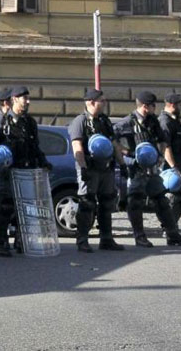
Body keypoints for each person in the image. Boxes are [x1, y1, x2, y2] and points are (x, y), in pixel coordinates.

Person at [0, 85, 51, 257]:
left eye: (28, 98)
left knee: (24, 208)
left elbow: (34, 146)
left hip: (25, 171)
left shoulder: (30, 123)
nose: (28, 102)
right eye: (24, 98)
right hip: (4, 172)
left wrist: (43, 162)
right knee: (5, 206)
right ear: (14, 100)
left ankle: (21, 240)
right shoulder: (2, 121)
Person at [116, 91, 181, 248]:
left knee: (161, 200)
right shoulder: (128, 122)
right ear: (145, 106)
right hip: (137, 168)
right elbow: (112, 140)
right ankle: (139, 237)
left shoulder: (153, 121)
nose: (154, 108)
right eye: (152, 105)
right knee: (135, 201)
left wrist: (160, 156)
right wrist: (127, 153)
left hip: (152, 168)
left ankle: (172, 235)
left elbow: (163, 140)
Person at [67, 89, 126, 253]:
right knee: (87, 204)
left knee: (107, 203)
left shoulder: (104, 121)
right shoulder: (80, 121)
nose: (105, 103)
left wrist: (122, 164)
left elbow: (113, 144)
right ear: (91, 102)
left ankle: (106, 239)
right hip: (90, 169)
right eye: (102, 101)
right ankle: (82, 240)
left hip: (106, 169)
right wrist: (83, 167)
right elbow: (77, 146)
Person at [158, 92, 181, 234]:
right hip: (171, 167)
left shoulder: (174, 120)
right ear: (172, 105)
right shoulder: (165, 122)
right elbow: (166, 147)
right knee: (173, 197)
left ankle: (172, 226)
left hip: (180, 164)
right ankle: (169, 228)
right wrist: (174, 168)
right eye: (180, 104)